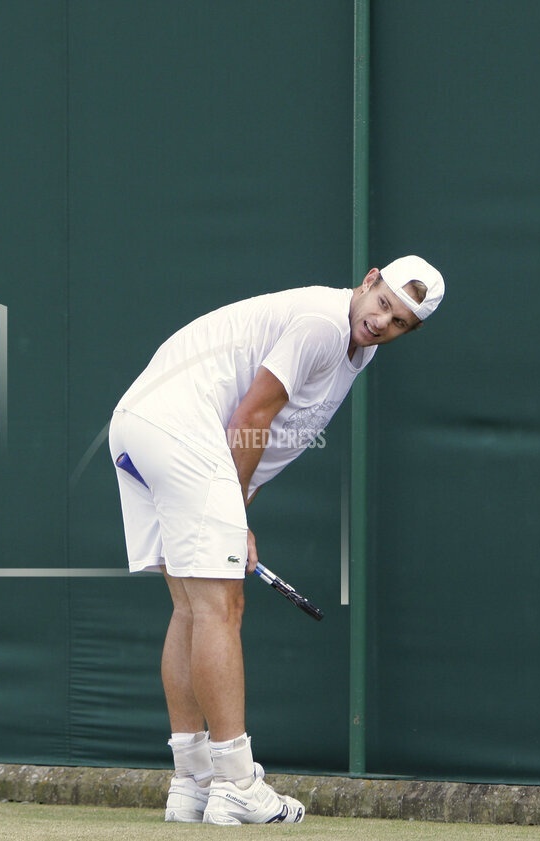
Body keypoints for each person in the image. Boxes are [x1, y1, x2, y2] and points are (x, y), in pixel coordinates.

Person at [108, 256, 445, 825]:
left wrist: (235, 509)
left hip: (143, 426)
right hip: (180, 429)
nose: (382, 321)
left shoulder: (356, 348)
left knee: (192, 608)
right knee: (221, 608)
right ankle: (236, 782)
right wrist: (234, 516)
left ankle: (192, 781)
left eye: (400, 322)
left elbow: (272, 431)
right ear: (369, 281)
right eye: (384, 303)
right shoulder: (322, 323)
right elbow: (252, 416)